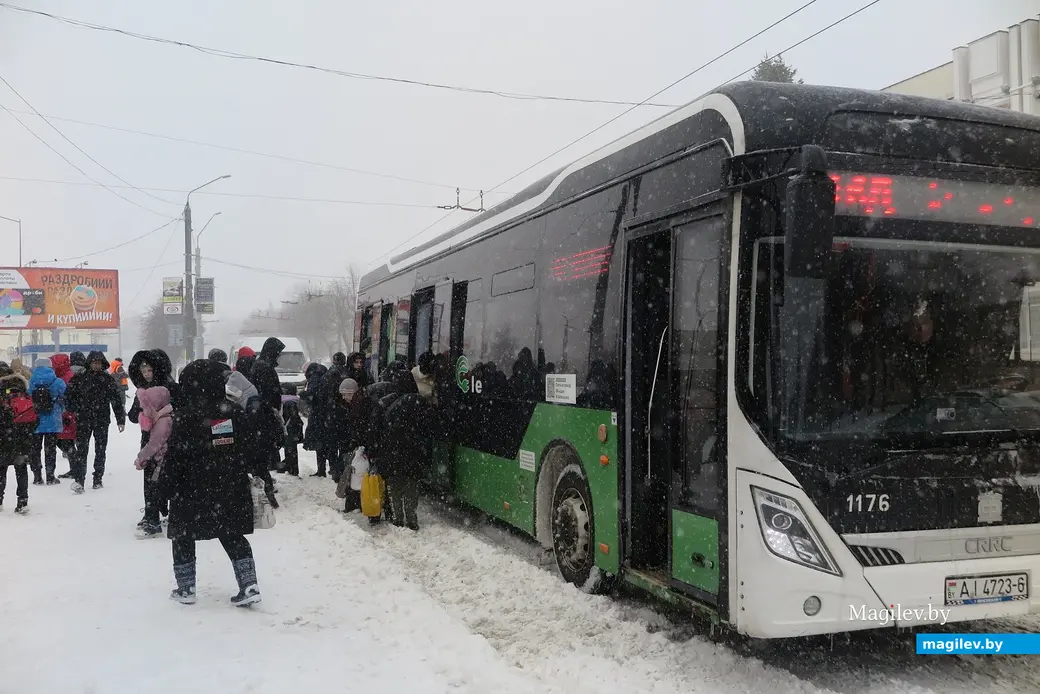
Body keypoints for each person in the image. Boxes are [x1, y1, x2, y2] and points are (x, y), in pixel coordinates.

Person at [164, 359, 263, 606]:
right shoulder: (233, 412)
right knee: (232, 534)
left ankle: (186, 588)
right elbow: (249, 446)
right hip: (229, 484)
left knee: (183, 535)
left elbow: (175, 455)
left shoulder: (184, 416)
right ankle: (249, 585)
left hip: (190, 487)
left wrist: (167, 486)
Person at [369, 371, 432, 531]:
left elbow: (375, 429)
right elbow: (428, 429)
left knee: (394, 484)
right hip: (414, 451)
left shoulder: (385, 402)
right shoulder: (420, 402)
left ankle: (397, 517)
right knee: (411, 484)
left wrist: (375, 451)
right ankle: (411, 518)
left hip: (391, 451)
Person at [67, 351, 126, 491]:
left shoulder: (107, 379)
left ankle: (97, 478)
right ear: (89, 363)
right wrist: (74, 409)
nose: (96, 365)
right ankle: (79, 479)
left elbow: (116, 400)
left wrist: (120, 419)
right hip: (83, 419)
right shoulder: (80, 378)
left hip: (101, 419)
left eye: (99, 363)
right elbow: (69, 395)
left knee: (100, 450)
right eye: (94, 363)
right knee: (82, 450)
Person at [128, 349, 175, 525]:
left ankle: (157, 513)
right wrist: (143, 410)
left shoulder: (168, 387)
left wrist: (161, 414)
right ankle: (152, 513)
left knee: (162, 477)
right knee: (152, 478)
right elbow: (132, 416)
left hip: (166, 439)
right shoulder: (142, 390)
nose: (147, 374)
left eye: (150, 370)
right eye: (144, 371)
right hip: (150, 438)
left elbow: (178, 407)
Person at [225, 370, 279, 509]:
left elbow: (251, 424)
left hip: (257, 442)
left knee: (259, 470)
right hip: (259, 441)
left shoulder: (252, 402)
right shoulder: (253, 398)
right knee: (259, 470)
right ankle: (267, 497)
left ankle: (266, 498)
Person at [133, 386, 172, 538]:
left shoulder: (163, 421)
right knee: (157, 492)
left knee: (153, 492)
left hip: (159, 463)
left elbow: (154, 445)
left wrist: (141, 458)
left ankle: (153, 524)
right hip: (162, 462)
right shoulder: (164, 416)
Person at [0, 362, 34, 512]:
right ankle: (23, 500)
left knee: (1, 469)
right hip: (22, 434)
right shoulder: (22, 383)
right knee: (21, 468)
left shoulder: (2, 387)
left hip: (3, 435)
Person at [28, 357, 67, 486]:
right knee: (50, 450)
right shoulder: (57, 381)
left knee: (35, 449)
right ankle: (50, 476)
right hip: (52, 420)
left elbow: (28, 398)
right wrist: (60, 409)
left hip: (35, 420)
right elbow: (65, 398)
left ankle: (37, 476)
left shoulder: (30, 381)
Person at [50, 353, 77, 479]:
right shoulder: (66, 375)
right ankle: (75, 467)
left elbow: (63, 396)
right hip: (66, 414)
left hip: (66, 415)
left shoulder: (64, 378)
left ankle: (76, 468)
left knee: (65, 441)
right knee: (65, 441)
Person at [302, 362, 329, 476]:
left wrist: (304, 394)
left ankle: (322, 469)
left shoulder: (314, 377)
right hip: (327, 413)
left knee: (319, 442)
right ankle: (328, 468)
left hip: (318, 413)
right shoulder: (324, 374)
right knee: (325, 441)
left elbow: (311, 395)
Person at [281, 384, 303, 476]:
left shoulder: (288, 402)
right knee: (291, 449)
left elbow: (293, 417)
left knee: (290, 449)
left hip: (289, 429)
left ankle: (292, 470)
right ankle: (291, 468)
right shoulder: (293, 401)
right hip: (292, 429)